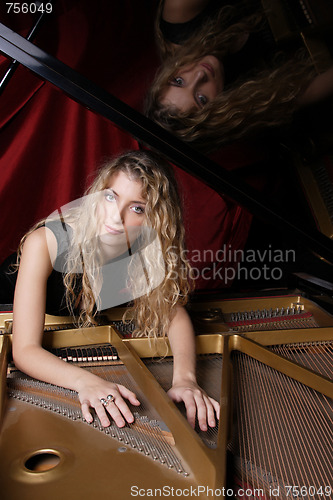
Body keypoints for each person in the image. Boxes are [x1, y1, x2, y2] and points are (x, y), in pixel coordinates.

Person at [11, 150, 220, 432]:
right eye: (111, 196)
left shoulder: (141, 250)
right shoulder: (45, 242)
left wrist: (185, 379)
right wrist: (86, 381)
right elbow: (24, 350)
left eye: (137, 208)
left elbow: (173, 314)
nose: (115, 216)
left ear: (154, 219)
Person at [146, 0, 333, 153]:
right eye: (201, 98)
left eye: (178, 81)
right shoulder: (250, 102)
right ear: (218, 115)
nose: (200, 75)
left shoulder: (179, 12)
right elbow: (323, 83)